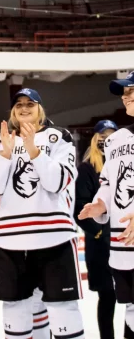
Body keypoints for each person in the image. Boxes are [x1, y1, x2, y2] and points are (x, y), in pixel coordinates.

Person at [0, 88, 84, 339]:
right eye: (19, 105)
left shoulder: (60, 137)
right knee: (15, 312)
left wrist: (33, 150)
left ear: (40, 108)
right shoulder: (1, 140)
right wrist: (5, 154)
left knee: (63, 312)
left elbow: (58, 181)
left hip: (54, 237)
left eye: (30, 103)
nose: (24, 108)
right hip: (11, 241)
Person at [79, 72, 134, 338]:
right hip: (122, 247)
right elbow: (109, 184)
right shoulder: (117, 140)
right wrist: (99, 205)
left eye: (131, 90)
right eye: (124, 92)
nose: (125, 96)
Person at [74, 120, 118, 339]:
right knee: (107, 296)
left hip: (126, 240)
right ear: (94, 139)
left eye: (111, 135)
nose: (106, 139)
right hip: (100, 246)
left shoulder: (125, 164)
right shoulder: (86, 169)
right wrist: (99, 232)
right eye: (103, 135)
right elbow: (79, 207)